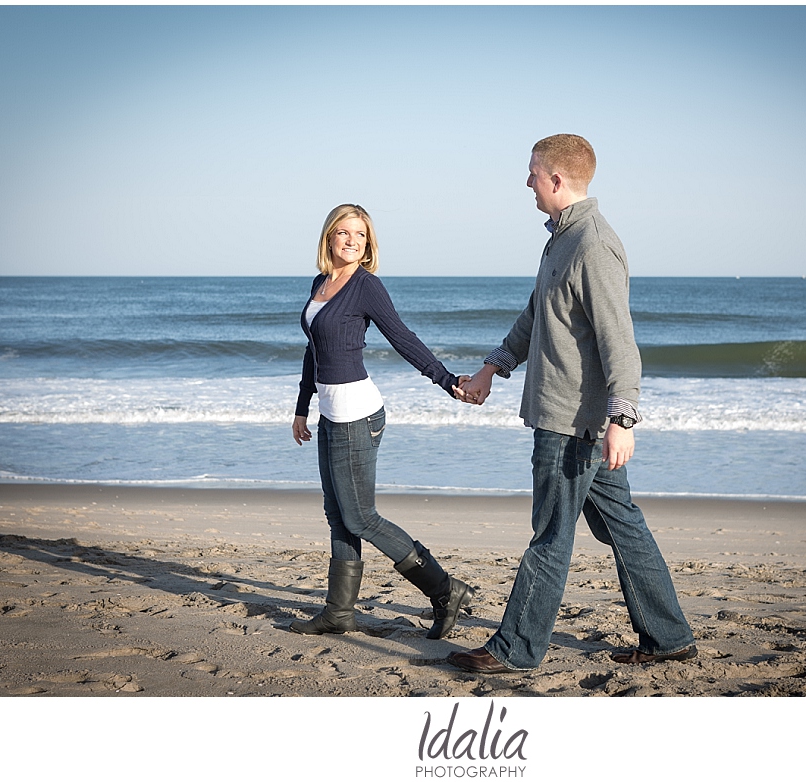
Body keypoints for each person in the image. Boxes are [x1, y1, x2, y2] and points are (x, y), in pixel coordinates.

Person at [447, 135, 696, 673]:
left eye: (532, 173)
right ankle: (668, 636)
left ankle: (515, 650)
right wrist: (493, 368)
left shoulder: (593, 245)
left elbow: (618, 340)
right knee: (621, 525)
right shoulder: (559, 239)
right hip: (563, 414)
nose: (527, 182)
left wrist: (622, 419)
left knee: (551, 534)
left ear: (557, 179)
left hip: (571, 421)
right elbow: (536, 316)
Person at [290, 203, 473, 640]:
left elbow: (402, 337)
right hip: (331, 414)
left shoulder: (366, 286)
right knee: (338, 515)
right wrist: (302, 405)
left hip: (358, 414)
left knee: (362, 518)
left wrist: (447, 381)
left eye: (361, 234)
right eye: (344, 232)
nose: (352, 241)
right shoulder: (322, 283)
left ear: (368, 243)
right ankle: (339, 612)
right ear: (329, 237)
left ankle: (446, 591)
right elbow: (313, 349)